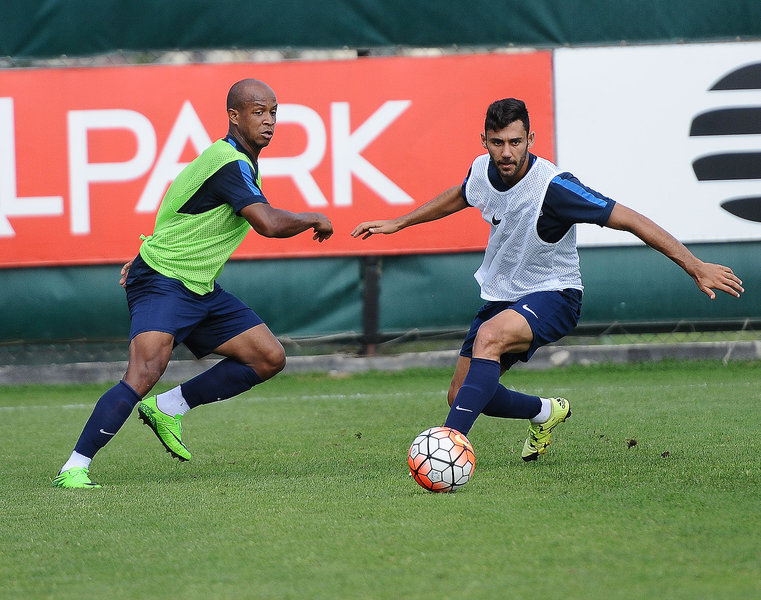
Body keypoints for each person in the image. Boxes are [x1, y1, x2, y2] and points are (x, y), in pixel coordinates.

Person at [351, 97, 744, 462]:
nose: (506, 152)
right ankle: (544, 412)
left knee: (489, 337)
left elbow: (631, 219)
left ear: (531, 139)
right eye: (497, 142)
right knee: (461, 394)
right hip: (503, 296)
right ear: (484, 141)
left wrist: (693, 264)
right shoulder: (482, 169)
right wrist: (401, 222)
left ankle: (446, 449)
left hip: (556, 294)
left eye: (515, 142)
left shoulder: (555, 188)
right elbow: (463, 193)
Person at [53, 79, 334, 488]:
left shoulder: (237, 160)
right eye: (258, 111)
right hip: (164, 281)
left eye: (273, 112)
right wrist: (314, 218)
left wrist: (149, 249)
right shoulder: (228, 162)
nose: (269, 120)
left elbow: (176, 207)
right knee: (144, 371)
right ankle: (74, 467)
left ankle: (168, 407)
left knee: (268, 357)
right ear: (234, 116)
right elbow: (268, 224)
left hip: (198, 286)